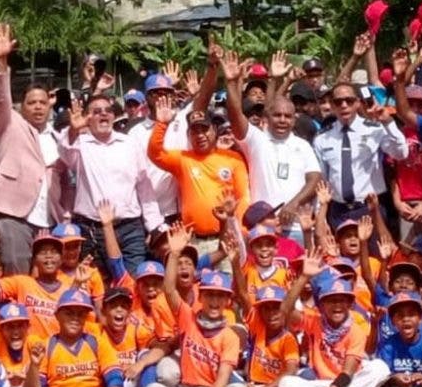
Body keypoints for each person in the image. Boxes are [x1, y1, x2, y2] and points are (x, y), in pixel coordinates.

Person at [144, 225, 248, 387]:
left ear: (228, 300)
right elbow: (169, 289)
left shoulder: (230, 335)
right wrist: (173, 254)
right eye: (210, 295)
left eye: (220, 295)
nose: (215, 301)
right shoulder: (187, 317)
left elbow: (224, 374)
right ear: (200, 297)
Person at [277, 249, 391, 387]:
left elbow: (347, 374)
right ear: (321, 304)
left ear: (349, 303)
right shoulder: (314, 321)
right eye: (331, 300)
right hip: (321, 383)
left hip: (347, 383)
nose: (337, 305)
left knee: (380, 368)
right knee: (285, 385)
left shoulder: (355, 330)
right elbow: (285, 310)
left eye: (342, 300)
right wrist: (304, 278)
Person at [0, 23, 61, 275]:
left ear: (50, 104)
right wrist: (1, 62)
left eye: (42, 102)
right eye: (31, 103)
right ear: (22, 106)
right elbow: (0, 100)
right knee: (18, 277)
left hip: (50, 220)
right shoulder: (9, 124)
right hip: (15, 218)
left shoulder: (59, 138)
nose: (37, 107)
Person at [222, 51, 322, 239]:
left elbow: (314, 178)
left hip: (298, 228)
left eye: (288, 116)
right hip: (263, 228)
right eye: (277, 115)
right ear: (266, 118)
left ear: (294, 119)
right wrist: (231, 83)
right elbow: (236, 116)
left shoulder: (302, 145)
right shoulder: (256, 140)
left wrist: (294, 204)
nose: (282, 120)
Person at [59, 92, 161, 276]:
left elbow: (144, 188)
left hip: (129, 229)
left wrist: (154, 225)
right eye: (96, 111)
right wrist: (74, 129)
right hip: (92, 230)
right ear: (87, 118)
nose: (103, 114)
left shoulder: (130, 144)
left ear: (114, 116)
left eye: (107, 110)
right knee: (97, 289)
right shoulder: (79, 144)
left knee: (132, 284)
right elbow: (65, 152)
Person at [148, 94, 251, 267]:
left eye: (204, 129)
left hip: (225, 238)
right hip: (193, 241)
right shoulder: (183, 159)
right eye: (194, 131)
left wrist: (241, 230)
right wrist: (162, 124)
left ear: (214, 130)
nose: (200, 135)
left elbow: (243, 197)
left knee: (226, 288)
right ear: (188, 135)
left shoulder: (233, 158)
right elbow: (155, 154)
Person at [23, 289, 133, 387]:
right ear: (57, 315)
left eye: (80, 314)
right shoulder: (46, 345)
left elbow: (115, 378)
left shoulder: (97, 342)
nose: (75, 318)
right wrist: (34, 366)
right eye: (69, 313)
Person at [313, 82, 408, 227]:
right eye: (338, 102)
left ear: (357, 103)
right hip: (338, 210)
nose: (344, 105)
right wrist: (321, 216)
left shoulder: (374, 130)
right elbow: (322, 182)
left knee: (376, 250)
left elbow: (401, 154)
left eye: (349, 101)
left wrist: (388, 122)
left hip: (370, 207)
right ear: (332, 105)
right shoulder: (322, 138)